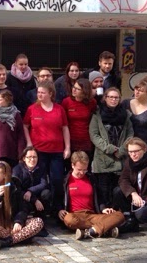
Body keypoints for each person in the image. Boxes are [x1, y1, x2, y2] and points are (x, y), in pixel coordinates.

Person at [23, 80, 70, 213]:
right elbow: (25, 126)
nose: (40, 95)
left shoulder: (59, 109)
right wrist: (29, 143)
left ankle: (57, 209)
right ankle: (42, 210)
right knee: (41, 181)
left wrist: (67, 147)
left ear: (50, 93)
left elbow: (65, 128)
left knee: (57, 180)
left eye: (43, 92)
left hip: (56, 151)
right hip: (39, 151)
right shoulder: (32, 109)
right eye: (38, 92)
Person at [59, 151, 125, 240]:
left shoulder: (91, 179)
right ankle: (104, 229)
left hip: (92, 215)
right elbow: (58, 198)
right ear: (72, 165)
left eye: (84, 170)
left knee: (119, 215)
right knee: (68, 219)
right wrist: (59, 210)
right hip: (75, 216)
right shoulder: (66, 181)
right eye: (79, 170)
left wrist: (103, 209)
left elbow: (99, 197)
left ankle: (91, 231)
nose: (82, 172)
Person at [0, 161, 44, 249]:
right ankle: (16, 238)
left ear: (4, 175)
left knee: (38, 222)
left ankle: (8, 241)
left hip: (13, 223)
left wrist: (18, 221)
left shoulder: (14, 185)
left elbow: (23, 208)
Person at [89, 87, 133, 208]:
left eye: (116, 97)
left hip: (121, 158)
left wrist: (122, 150)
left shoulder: (126, 115)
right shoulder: (97, 114)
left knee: (118, 192)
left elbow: (130, 134)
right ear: (105, 98)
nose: (114, 100)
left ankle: (117, 215)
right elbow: (94, 135)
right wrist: (110, 149)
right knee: (104, 193)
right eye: (111, 97)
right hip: (103, 159)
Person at [122, 78, 147, 157]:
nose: (137, 92)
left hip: (143, 147)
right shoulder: (125, 103)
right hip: (125, 146)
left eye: (141, 91)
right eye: (136, 89)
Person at [12, 146, 52, 218]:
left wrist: (30, 191)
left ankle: (41, 217)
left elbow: (44, 184)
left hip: (36, 193)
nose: (32, 159)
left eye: (34, 157)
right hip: (23, 195)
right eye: (29, 157)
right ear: (24, 158)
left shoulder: (41, 167)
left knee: (46, 193)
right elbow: (16, 188)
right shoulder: (17, 169)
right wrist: (34, 200)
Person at [62, 78, 96, 156]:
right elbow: (63, 123)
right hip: (70, 140)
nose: (74, 90)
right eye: (74, 87)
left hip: (86, 140)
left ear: (84, 91)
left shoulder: (92, 102)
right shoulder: (66, 102)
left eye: (78, 89)